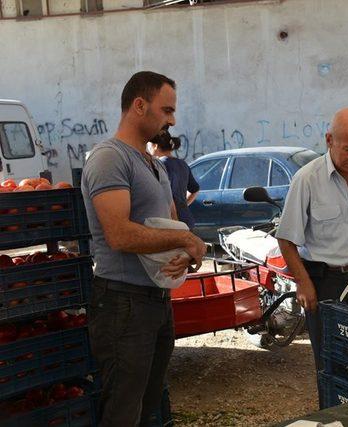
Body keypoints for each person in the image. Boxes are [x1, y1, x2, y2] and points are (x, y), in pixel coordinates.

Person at [81, 71, 207, 426]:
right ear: (139, 105)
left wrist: (185, 255)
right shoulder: (109, 158)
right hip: (123, 302)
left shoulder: (154, 165)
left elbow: (168, 227)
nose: (172, 119)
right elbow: (119, 235)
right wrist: (185, 240)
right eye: (166, 109)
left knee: (147, 405)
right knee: (123, 411)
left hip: (154, 300)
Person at [275, 108, 348, 409]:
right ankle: (333, 414)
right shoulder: (307, 179)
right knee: (331, 361)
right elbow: (286, 238)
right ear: (330, 140)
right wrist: (303, 284)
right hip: (325, 283)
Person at [149, 130, 200, 230]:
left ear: (155, 145)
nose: (147, 148)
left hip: (169, 222)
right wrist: (183, 204)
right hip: (186, 220)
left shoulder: (158, 164)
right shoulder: (183, 164)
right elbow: (195, 189)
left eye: (148, 144)